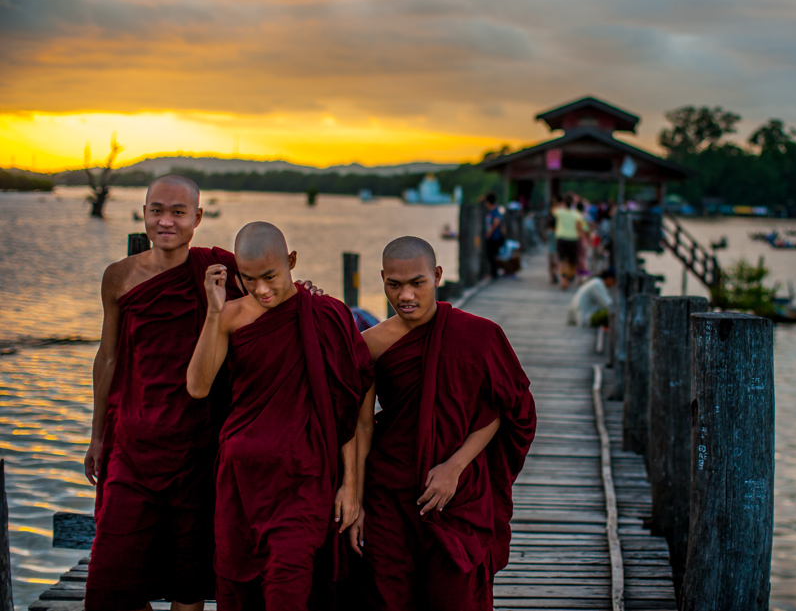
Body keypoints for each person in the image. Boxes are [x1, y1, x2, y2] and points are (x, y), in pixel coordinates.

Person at [186, 222, 373, 610]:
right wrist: (213, 313)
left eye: (270, 276)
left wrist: (351, 487)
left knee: (288, 590)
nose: (262, 289)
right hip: (240, 483)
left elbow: (349, 408)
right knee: (238, 592)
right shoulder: (231, 316)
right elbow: (197, 386)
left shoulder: (327, 314)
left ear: (292, 261)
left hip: (302, 482)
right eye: (249, 279)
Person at [84, 174, 248, 611]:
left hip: (197, 450)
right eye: (157, 210)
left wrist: (310, 296)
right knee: (109, 584)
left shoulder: (219, 270)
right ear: (143, 213)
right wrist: (97, 436)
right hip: (132, 447)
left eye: (178, 213)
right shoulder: (119, 278)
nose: (166, 222)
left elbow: (276, 288)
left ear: (197, 218)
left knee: (187, 588)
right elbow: (108, 358)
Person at [351, 236, 536, 610]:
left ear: (437, 276)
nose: (406, 296)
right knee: (387, 597)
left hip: (457, 494)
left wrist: (456, 465)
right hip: (390, 491)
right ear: (382, 279)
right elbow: (362, 427)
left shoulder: (479, 335)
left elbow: (502, 409)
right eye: (394, 284)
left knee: (455, 597)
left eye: (417, 283)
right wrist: (355, 501)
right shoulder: (369, 344)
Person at [552, 194, 585, 289]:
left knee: (563, 260)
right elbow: (580, 227)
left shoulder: (559, 212)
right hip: (573, 239)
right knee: (572, 261)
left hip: (561, 238)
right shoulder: (577, 214)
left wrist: (560, 203)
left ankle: (564, 279)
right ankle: (569, 277)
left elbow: (553, 209)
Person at [483, 192, 504, 279]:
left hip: (494, 237)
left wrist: (490, 232)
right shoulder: (493, 211)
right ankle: (493, 273)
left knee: (491, 255)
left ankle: (494, 274)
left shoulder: (494, 211)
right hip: (493, 236)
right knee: (491, 255)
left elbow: (496, 222)